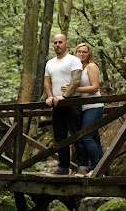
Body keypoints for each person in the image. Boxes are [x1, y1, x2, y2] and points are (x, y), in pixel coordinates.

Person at [61, 43, 104, 177]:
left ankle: (96, 169)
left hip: (94, 106)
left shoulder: (91, 66)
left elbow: (95, 87)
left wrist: (75, 89)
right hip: (83, 108)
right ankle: (101, 168)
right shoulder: (78, 69)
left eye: (84, 52)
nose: (81, 54)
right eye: (78, 51)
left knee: (87, 137)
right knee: (95, 138)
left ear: (89, 54)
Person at [44, 34, 83, 175]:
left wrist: (65, 96)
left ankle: (82, 167)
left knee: (77, 134)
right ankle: (63, 167)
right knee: (60, 137)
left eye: (60, 42)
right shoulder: (50, 63)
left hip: (72, 102)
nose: (57, 45)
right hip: (56, 104)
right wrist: (50, 96)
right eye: (55, 42)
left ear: (66, 44)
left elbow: (76, 80)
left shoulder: (74, 60)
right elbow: (47, 81)